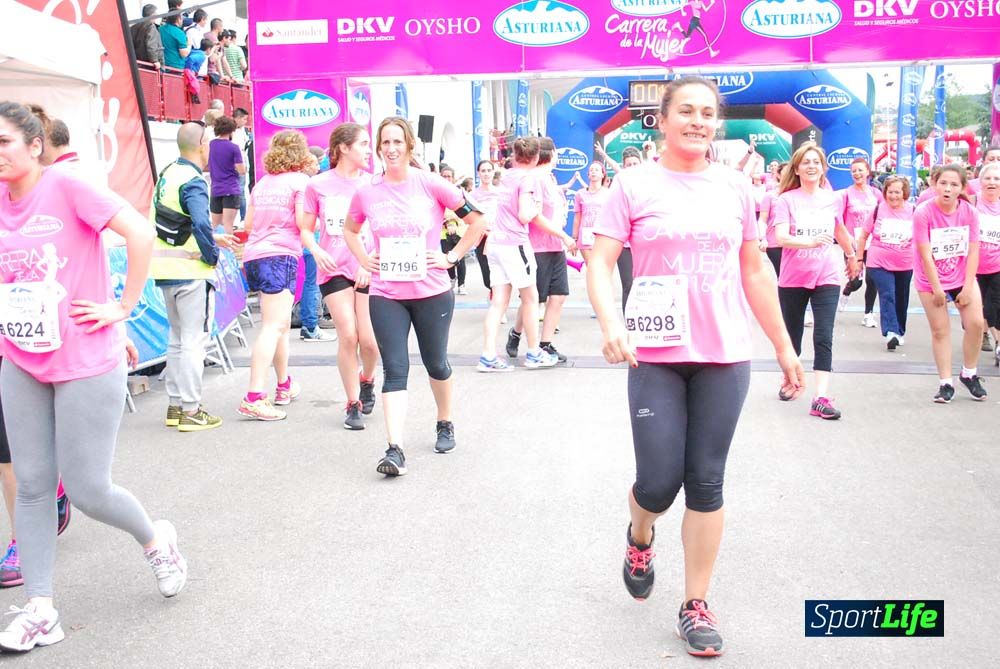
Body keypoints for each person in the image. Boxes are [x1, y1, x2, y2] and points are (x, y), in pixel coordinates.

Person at [586, 77, 805, 658]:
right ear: (662, 119)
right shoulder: (632, 184)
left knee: (706, 479)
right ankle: (640, 534)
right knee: (658, 483)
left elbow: (755, 270)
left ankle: (695, 604)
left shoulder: (736, 187)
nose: (698, 121)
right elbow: (601, 260)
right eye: (686, 111)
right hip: (655, 354)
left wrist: (783, 346)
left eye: (708, 113)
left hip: (724, 352)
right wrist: (611, 326)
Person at [0, 102, 187, 652]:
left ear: (35, 145)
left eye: (4, 142)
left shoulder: (67, 186)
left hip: (84, 360)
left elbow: (140, 233)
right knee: (32, 486)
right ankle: (40, 608)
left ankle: (157, 541)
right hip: (21, 358)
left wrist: (121, 308)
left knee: (87, 489)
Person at [343, 117, 488, 476]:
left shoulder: (433, 184)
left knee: (436, 363)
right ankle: (395, 448)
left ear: (409, 146)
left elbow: (479, 222)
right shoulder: (367, 192)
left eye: (397, 142)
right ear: (378, 148)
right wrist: (364, 258)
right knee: (395, 369)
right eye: (385, 142)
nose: (391, 149)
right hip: (387, 293)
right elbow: (350, 228)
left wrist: (451, 257)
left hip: (432, 292)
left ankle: (445, 421)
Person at [151, 122, 239, 432]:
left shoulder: (167, 175)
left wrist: (211, 242)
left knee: (177, 340)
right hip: (191, 271)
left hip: (164, 270)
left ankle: (176, 405)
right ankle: (191, 409)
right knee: (192, 341)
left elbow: (178, 222)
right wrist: (211, 255)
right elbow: (201, 224)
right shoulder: (193, 180)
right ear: (201, 145)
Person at [774, 143, 860, 420]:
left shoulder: (831, 199)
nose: (812, 166)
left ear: (823, 168)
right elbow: (781, 237)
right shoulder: (786, 200)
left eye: (817, 162)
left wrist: (851, 255)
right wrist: (809, 242)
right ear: (797, 169)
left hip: (827, 275)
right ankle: (791, 379)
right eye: (806, 162)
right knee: (793, 337)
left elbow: (840, 229)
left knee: (824, 335)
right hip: (793, 277)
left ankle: (820, 397)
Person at [302, 123, 379, 430]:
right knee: (348, 335)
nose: (368, 150)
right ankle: (352, 403)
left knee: (370, 343)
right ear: (344, 148)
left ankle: (367, 380)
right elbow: (306, 229)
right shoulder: (317, 185)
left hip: (369, 267)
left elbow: (382, 229)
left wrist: (367, 260)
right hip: (333, 268)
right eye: (363, 144)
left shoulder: (374, 184)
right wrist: (316, 250)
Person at [237, 131, 313, 420]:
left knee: (278, 324)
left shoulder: (262, 184)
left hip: (254, 255)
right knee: (273, 326)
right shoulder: (300, 183)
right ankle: (254, 395)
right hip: (281, 255)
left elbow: (249, 222)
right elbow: (300, 221)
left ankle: (284, 385)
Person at [483, 136, 575, 370]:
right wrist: (534, 207)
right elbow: (526, 215)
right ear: (535, 158)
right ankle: (534, 352)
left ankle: (488, 355)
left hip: (497, 242)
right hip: (515, 244)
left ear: (514, 156)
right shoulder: (528, 179)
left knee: (499, 302)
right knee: (531, 298)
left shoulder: (506, 176)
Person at [913, 164, 988, 402]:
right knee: (940, 330)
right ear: (934, 184)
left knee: (976, 323)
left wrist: (967, 287)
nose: (947, 189)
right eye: (943, 183)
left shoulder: (969, 212)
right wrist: (937, 289)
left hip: (961, 274)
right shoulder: (923, 212)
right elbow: (925, 254)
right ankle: (946, 383)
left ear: (962, 188)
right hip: (930, 278)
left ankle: (969, 373)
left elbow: (974, 251)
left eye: (954, 184)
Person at [506, 137, 571, 367]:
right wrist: (563, 235)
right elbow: (535, 216)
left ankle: (545, 343)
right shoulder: (535, 179)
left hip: (556, 247)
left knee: (559, 295)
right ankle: (516, 333)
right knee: (534, 298)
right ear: (550, 153)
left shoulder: (551, 179)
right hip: (539, 246)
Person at [856, 176, 915, 350]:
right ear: (885, 193)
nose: (894, 196)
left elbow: (922, 238)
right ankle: (890, 332)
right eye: (890, 192)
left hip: (905, 263)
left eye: (897, 192)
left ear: (904, 193)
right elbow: (863, 236)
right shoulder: (878, 210)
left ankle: (899, 331)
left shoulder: (913, 211)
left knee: (901, 297)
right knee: (887, 294)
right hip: (879, 261)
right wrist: (859, 259)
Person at [837, 158, 884, 325]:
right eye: (854, 171)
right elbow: (838, 219)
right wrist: (847, 236)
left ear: (867, 172)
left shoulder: (876, 194)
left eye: (860, 170)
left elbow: (882, 215)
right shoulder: (846, 194)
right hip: (852, 243)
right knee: (856, 281)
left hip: (873, 243)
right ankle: (847, 291)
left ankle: (868, 314)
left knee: (872, 279)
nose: (857, 173)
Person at [974, 162, 1000, 365]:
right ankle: (980, 335)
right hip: (972, 268)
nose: (992, 182)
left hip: (997, 265)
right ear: (980, 182)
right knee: (979, 308)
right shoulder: (971, 204)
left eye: (997, 179)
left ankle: (999, 343)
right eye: (988, 178)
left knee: (994, 306)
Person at [207, 115, 244, 234]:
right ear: (232, 130)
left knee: (215, 225)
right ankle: (228, 251)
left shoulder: (211, 144)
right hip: (230, 188)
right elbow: (241, 170)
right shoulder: (234, 148)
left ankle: (214, 250)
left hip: (216, 188)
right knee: (228, 225)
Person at [471, 160, 501, 292]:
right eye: (483, 171)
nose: (486, 174)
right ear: (478, 173)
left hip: (499, 237)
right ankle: (493, 295)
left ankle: (499, 302)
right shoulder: (472, 196)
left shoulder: (501, 193)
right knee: (487, 274)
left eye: (489, 170)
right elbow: (470, 218)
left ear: (493, 172)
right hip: (482, 238)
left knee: (500, 273)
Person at [131, 4, 164, 69]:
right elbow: (151, 45)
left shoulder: (133, 27)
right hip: (148, 64)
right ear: (152, 15)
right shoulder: (150, 27)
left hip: (138, 62)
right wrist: (155, 61)